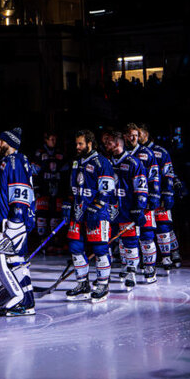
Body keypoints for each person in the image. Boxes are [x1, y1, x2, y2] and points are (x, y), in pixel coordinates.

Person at [0, 127, 37, 316]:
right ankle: (27, 299)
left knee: (12, 261)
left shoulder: (15, 162)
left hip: (12, 222)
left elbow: (20, 195)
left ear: (11, 143)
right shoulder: (8, 161)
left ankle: (21, 299)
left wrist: (14, 223)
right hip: (5, 221)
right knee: (17, 261)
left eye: (2, 141)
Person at [62, 129, 117, 302]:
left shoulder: (102, 162)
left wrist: (96, 206)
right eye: (76, 143)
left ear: (90, 144)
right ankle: (83, 284)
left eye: (80, 144)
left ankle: (103, 285)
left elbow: (107, 189)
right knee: (75, 247)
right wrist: (67, 203)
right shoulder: (76, 162)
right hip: (78, 212)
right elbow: (72, 187)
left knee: (100, 249)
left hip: (97, 213)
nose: (77, 147)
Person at [101, 129, 147, 291]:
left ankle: (130, 273)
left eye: (109, 142)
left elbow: (141, 188)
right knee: (103, 243)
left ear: (118, 142)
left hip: (126, 210)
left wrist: (139, 208)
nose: (106, 144)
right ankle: (103, 277)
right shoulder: (104, 162)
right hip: (107, 211)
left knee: (130, 243)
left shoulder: (134, 163)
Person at [139, 123, 182, 271]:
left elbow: (169, 173)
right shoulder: (134, 152)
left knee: (164, 226)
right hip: (145, 197)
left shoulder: (160, 152)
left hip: (161, 195)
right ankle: (149, 258)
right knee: (147, 228)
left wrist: (168, 193)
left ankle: (170, 255)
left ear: (146, 133)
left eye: (139, 133)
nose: (137, 136)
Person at [125, 123, 161, 282]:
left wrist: (154, 196)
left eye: (135, 135)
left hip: (143, 201)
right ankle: (129, 268)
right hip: (126, 202)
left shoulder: (147, 153)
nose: (132, 138)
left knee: (147, 235)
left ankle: (149, 267)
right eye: (129, 135)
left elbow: (154, 175)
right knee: (127, 237)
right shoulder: (121, 153)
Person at [32, 131, 69, 248]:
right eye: (51, 139)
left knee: (56, 216)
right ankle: (42, 240)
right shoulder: (39, 153)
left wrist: (64, 189)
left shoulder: (60, 153)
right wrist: (36, 188)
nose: (53, 141)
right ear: (46, 140)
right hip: (43, 189)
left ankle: (55, 240)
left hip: (57, 189)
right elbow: (33, 172)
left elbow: (66, 172)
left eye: (55, 139)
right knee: (41, 216)